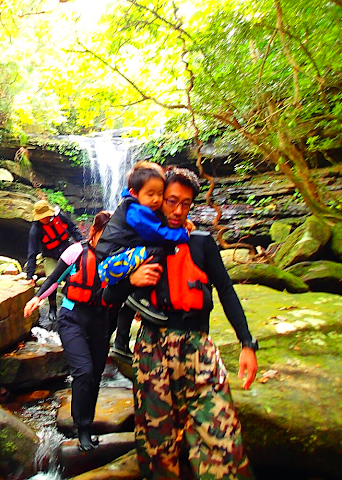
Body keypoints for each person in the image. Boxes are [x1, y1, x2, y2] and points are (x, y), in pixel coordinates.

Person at [105, 167, 258, 479]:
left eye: (185, 204)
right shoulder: (139, 247)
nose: (177, 210)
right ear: (158, 200)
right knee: (156, 445)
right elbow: (108, 294)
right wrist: (131, 278)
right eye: (171, 201)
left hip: (198, 350)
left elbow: (227, 292)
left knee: (223, 441)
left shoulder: (201, 243)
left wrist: (247, 344)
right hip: (152, 350)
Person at [24, 211, 112, 451]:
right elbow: (54, 278)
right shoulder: (76, 252)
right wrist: (37, 299)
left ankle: (88, 423)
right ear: (94, 232)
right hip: (72, 317)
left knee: (95, 375)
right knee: (83, 372)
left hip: (100, 320)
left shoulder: (118, 257)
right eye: (106, 233)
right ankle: (81, 427)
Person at [95, 163, 190, 358]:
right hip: (111, 262)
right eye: (151, 194)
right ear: (135, 192)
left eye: (160, 194)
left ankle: (120, 342)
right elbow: (157, 234)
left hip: (115, 260)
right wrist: (182, 233)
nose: (156, 199)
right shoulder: (135, 211)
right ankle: (140, 300)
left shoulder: (135, 205)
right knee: (157, 250)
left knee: (133, 295)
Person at [25, 200, 83, 327]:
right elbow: (32, 253)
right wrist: (29, 275)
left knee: (75, 277)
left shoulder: (59, 217)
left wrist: (82, 243)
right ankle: (52, 307)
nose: (46, 218)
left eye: (47, 215)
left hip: (67, 251)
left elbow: (73, 229)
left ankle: (74, 304)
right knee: (52, 279)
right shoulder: (35, 230)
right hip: (51, 256)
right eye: (43, 216)